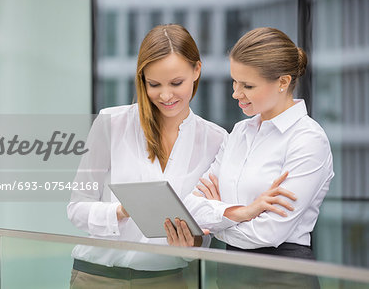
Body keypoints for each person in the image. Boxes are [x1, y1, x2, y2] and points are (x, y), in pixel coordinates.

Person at [165, 27, 334, 288]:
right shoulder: (240, 132)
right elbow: (190, 206)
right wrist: (245, 211)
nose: (236, 93)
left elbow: (270, 232)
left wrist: (219, 216)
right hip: (230, 272)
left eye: (248, 85)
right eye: (234, 81)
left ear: (283, 82)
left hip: (281, 277)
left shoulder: (308, 140)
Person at [66, 24, 228, 288]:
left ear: (197, 70)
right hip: (98, 277)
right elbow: (76, 208)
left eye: (177, 83)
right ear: (142, 80)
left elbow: (210, 223)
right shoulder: (111, 123)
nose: (165, 95)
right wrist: (120, 211)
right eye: (154, 84)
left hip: (167, 279)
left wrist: (194, 240)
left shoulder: (216, 140)